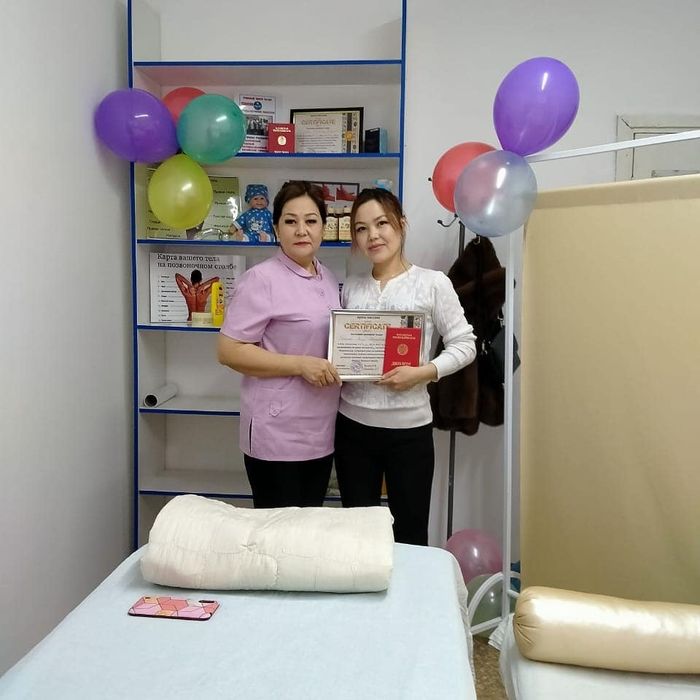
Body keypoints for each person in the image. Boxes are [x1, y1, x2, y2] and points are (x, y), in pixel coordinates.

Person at [334, 188, 477, 545]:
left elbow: (465, 344)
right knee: (358, 535)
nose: (373, 235)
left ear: (401, 224)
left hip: (409, 433)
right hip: (352, 429)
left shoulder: (432, 283)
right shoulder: (351, 288)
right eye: (362, 228)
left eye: (381, 223)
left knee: (411, 534)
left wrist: (424, 372)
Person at [217, 181, 342, 508]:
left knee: (307, 529)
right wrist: (299, 365)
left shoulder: (328, 278)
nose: (302, 230)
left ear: (323, 227)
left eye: (311, 221)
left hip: (321, 430)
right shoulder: (261, 279)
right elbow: (229, 350)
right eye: (290, 221)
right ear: (275, 228)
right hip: (277, 432)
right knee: (276, 532)